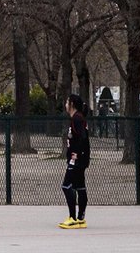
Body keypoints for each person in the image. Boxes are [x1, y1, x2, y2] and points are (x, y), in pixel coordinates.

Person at [59, 93, 90, 229]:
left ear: (72, 104)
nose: (65, 105)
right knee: (80, 186)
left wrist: (76, 154)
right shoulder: (77, 118)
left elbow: (82, 138)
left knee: (66, 185)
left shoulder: (77, 119)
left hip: (77, 159)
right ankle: (81, 218)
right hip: (80, 158)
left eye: (67, 102)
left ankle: (73, 217)